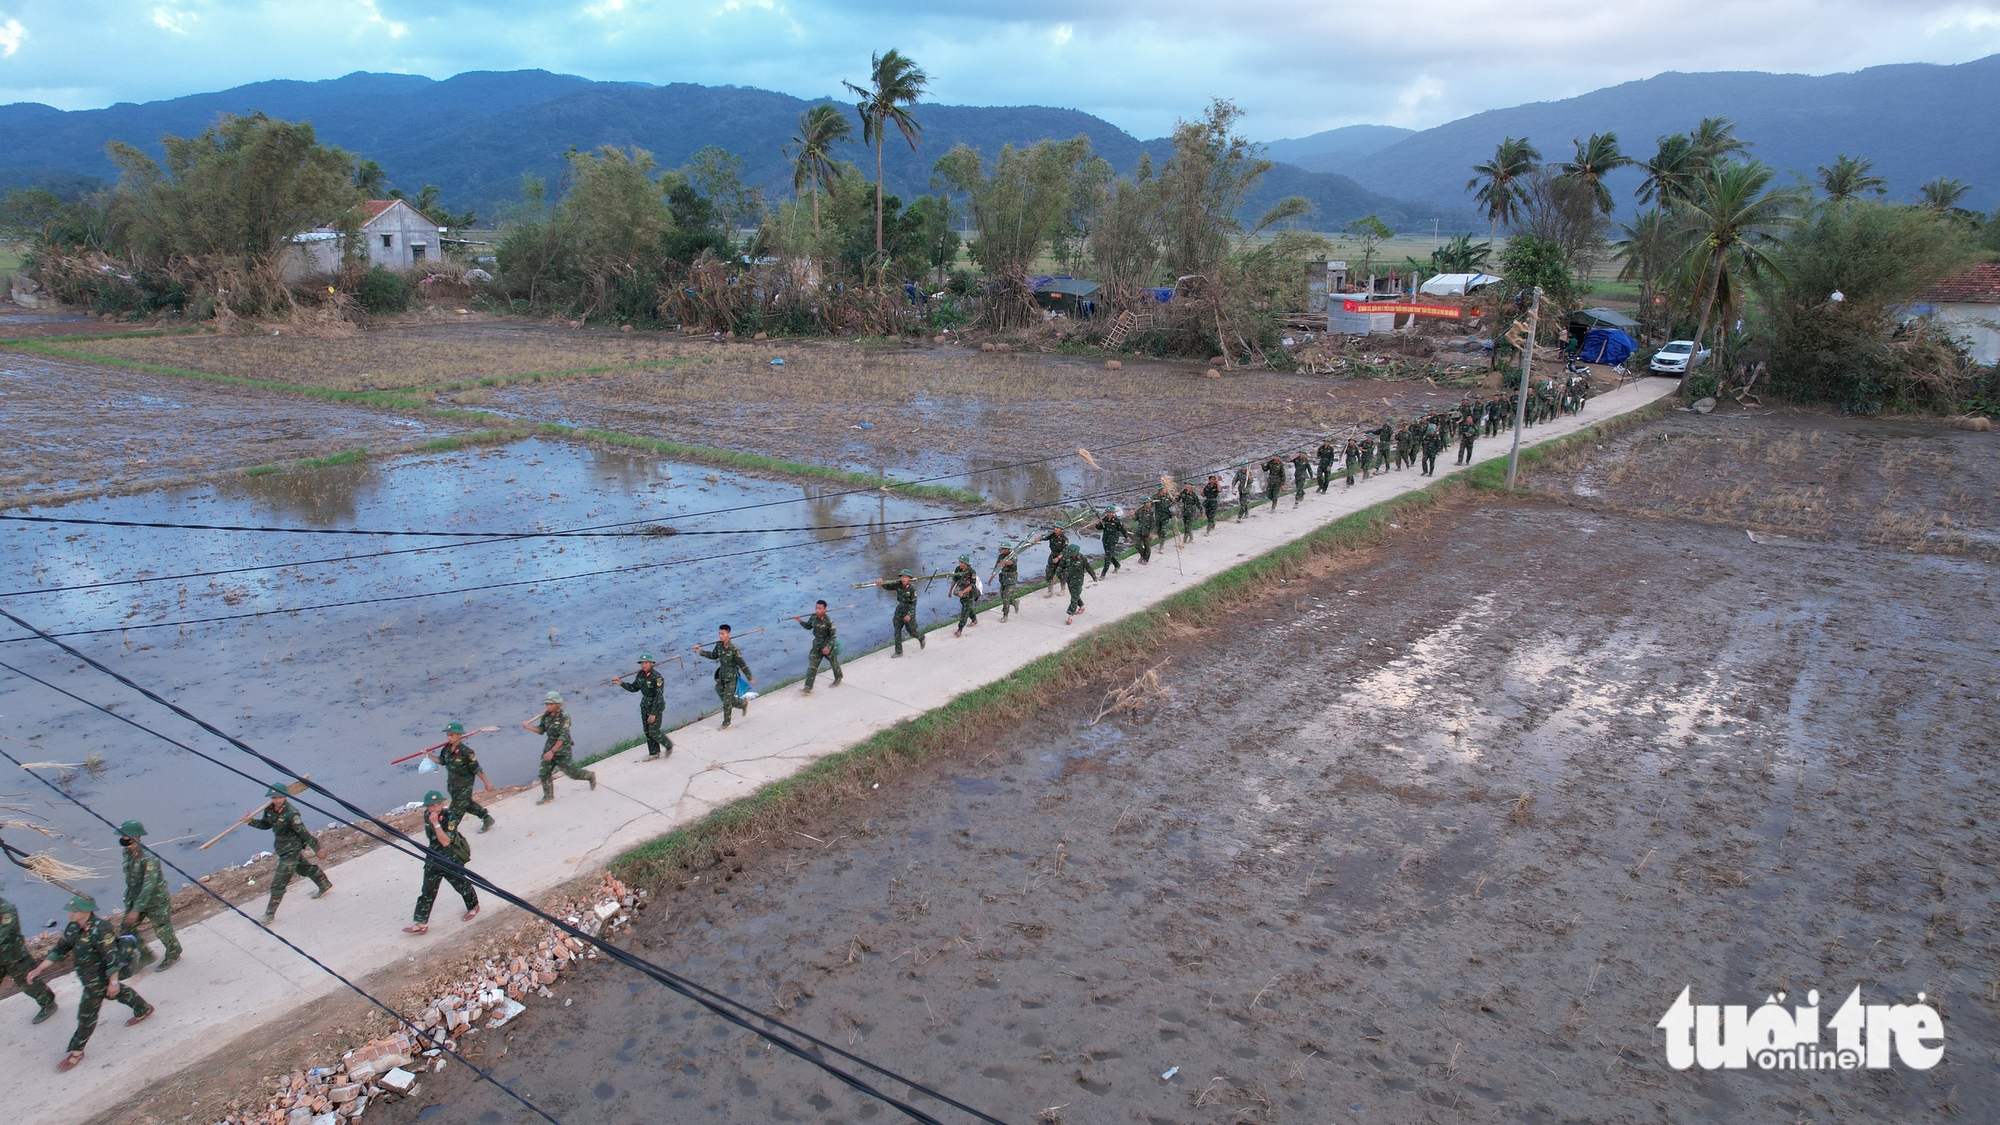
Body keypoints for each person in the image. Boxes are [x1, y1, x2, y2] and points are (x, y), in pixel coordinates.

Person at [26, 894, 152, 1071]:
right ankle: (143, 1008)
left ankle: (76, 1052)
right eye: (70, 910)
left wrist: (113, 982)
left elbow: (111, 959)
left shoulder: (101, 929)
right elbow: (59, 950)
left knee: (87, 1014)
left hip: (99, 978)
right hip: (86, 977)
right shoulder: (72, 928)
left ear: (86, 911)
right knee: (116, 993)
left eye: (74, 911)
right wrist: (39, 969)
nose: (69, 914)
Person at [244, 785, 331, 923]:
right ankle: (324, 884)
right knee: (303, 868)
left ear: (285, 797)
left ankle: (269, 915)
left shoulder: (291, 814)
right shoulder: (270, 809)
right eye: (274, 798)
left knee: (279, 883)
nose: (277, 800)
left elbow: (303, 832)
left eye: (280, 797)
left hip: (292, 850)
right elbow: (266, 825)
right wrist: (251, 821)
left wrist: (317, 849)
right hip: (282, 849)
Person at [403, 791, 479, 935]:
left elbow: (445, 841)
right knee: (427, 890)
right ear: (427, 807)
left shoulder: (450, 818)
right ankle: (421, 922)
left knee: (461, 885)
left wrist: (436, 824)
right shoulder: (427, 816)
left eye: (438, 804)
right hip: (433, 858)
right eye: (432, 806)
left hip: (449, 858)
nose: (436, 808)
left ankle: (473, 906)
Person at [118, 821, 180, 972]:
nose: (122, 838)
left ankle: (174, 952)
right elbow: (132, 880)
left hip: (155, 901)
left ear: (136, 837)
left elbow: (149, 886)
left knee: (162, 929)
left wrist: (136, 909)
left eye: (126, 835)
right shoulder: (127, 853)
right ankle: (146, 954)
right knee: (126, 928)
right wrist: (131, 904)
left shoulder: (149, 858)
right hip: (136, 900)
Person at [522, 691, 596, 802]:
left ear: (558, 704)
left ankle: (590, 776)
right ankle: (548, 796)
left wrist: (553, 751)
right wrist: (529, 727)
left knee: (573, 774)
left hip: (562, 751)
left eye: (551, 704)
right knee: (544, 772)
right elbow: (542, 729)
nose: (548, 706)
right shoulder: (546, 715)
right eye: (547, 704)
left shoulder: (564, 717)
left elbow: (563, 736)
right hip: (549, 748)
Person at [2, 889, 57, 1025]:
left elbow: (3, 934)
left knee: (28, 981)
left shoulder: (6, 908)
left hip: (13, 955)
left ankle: (48, 1004)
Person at [429, 722, 498, 829]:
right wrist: (428, 755)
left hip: (464, 788)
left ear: (459, 735)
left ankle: (449, 835)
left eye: (452, 735)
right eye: (448, 735)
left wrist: (487, 783)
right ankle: (486, 818)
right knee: (467, 804)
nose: (449, 737)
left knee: (453, 815)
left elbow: (477, 769)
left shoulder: (466, 752)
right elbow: (441, 761)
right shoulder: (447, 749)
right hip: (453, 787)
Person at [696, 625, 755, 728]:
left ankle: (726, 723)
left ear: (728, 634)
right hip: (722, 676)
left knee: (727, 701)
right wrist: (701, 651)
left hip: (731, 678)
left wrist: (750, 677)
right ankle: (743, 704)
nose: (720, 636)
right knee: (722, 695)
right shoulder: (719, 646)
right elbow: (713, 655)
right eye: (719, 633)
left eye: (723, 634)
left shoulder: (734, 649)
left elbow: (742, 664)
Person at [618, 655, 672, 762]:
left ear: (651, 663)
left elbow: (659, 696)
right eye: (642, 663)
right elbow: (634, 688)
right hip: (645, 705)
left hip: (655, 706)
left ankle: (668, 745)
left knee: (653, 730)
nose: (643, 665)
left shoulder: (657, 677)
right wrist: (621, 683)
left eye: (646, 663)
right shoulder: (640, 675)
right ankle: (654, 753)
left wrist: (653, 713)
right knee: (647, 731)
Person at [795, 601, 842, 692]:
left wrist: (828, 647)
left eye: (820, 609)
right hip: (817, 646)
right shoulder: (813, 618)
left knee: (834, 663)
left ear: (825, 609)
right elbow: (808, 626)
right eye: (816, 608)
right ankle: (808, 688)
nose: (817, 610)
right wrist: (800, 621)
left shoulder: (829, 621)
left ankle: (838, 678)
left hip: (827, 645)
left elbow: (833, 636)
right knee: (812, 665)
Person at [1058, 542, 1099, 624]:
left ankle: (1070, 616)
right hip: (1069, 579)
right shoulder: (1067, 557)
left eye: (1072, 553)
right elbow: (1061, 566)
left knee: (1074, 598)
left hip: (1078, 581)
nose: (1071, 555)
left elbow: (1089, 568)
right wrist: (1056, 574)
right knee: (1074, 595)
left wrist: (1094, 576)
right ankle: (1082, 606)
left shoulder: (1083, 558)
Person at [889, 569, 924, 655]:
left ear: (909, 578)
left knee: (911, 631)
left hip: (909, 610)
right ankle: (898, 651)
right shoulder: (898, 585)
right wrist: (881, 583)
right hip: (900, 609)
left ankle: (920, 637)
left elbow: (914, 603)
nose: (903, 579)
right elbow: (888, 587)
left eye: (905, 577)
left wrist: (909, 614)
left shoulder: (912, 588)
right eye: (902, 577)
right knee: (897, 629)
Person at [949, 556, 981, 636]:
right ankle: (974, 620)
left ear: (966, 563)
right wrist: (950, 590)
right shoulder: (958, 569)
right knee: (967, 607)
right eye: (959, 562)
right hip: (961, 594)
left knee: (964, 611)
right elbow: (954, 579)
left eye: (962, 562)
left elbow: (972, 585)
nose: (960, 564)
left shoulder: (971, 572)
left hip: (969, 594)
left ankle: (959, 629)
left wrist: (963, 592)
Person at [991, 545, 1021, 620]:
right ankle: (1014, 602)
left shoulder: (1013, 556)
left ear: (1008, 549)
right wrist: (991, 577)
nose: (1003, 550)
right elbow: (996, 567)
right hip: (1003, 580)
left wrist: (1004, 562)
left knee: (1006, 599)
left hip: (1011, 580)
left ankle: (1005, 615)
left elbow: (1011, 562)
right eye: (1002, 549)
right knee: (1003, 596)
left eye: (1005, 549)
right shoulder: (1001, 556)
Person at [1095, 508, 1126, 573]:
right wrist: (1097, 524)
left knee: (1107, 556)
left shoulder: (1116, 521)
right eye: (1107, 512)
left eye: (1110, 512)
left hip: (1113, 540)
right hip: (1105, 539)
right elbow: (1100, 527)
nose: (1108, 513)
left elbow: (1122, 529)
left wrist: (1126, 536)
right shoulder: (1104, 520)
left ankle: (1103, 573)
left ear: (1113, 513)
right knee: (1109, 554)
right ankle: (1117, 564)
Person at [1041, 526, 1070, 595]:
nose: (1055, 529)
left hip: (1061, 558)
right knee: (1049, 572)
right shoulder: (1052, 535)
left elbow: (1065, 550)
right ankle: (1050, 591)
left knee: (1062, 574)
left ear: (1061, 529)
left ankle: (1063, 589)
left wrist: (1058, 558)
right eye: (1055, 528)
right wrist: (1039, 538)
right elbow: (1044, 537)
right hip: (1052, 556)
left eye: (1057, 528)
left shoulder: (1065, 539)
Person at [1130, 499, 1155, 564]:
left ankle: (1146, 559)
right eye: (1147, 502)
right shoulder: (1139, 511)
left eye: (1150, 502)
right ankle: (1142, 555)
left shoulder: (1151, 512)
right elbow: (1136, 519)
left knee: (1147, 546)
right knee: (1136, 544)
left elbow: (1153, 522)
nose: (1149, 504)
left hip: (1147, 531)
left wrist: (1151, 532)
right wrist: (1132, 515)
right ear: (1144, 504)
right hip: (1139, 530)